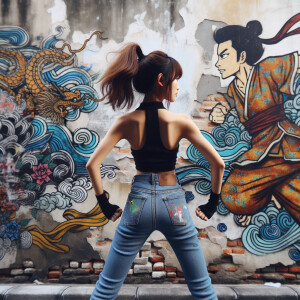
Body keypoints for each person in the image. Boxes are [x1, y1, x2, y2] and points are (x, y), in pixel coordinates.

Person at [86, 43, 225, 300]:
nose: (178, 86)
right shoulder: (181, 122)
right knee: (203, 290)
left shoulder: (124, 122)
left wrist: (104, 205)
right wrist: (212, 204)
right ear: (162, 80)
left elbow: (91, 164)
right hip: (173, 205)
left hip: (138, 205)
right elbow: (218, 163)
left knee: (105, 290)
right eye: (176, 80)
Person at [210, 14, 300, 224]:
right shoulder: (232, 89)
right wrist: (223, 111)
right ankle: (274, 190)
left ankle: (271, 188)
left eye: (223, 55)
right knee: (233, 196)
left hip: (285, 144)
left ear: (241, 56)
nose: (218, 63)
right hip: (261, 153)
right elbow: (235, 109)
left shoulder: (268, 68)